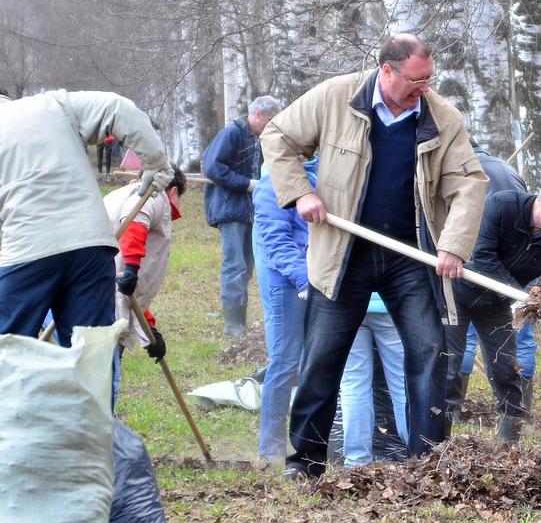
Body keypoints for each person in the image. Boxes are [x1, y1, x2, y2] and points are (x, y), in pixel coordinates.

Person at [261, 33, 488, 479]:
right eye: (416, 80)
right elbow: (278, 135)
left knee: (428, 352)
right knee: (323, 355)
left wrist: (453, 245)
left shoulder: (442, 118)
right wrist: (299, 193)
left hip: (410, 257)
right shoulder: (335, 97)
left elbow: (469, 184)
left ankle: (428, 464)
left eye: (429, 79)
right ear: (387, 70)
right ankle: (305, 462)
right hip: (344, 252)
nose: (425, 88)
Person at [0, 90, 172, 347]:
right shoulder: (53, 105)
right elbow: (119, 108)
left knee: (6, 355)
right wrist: (157, 164)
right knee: (90, 360)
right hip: (91, 248)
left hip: (26, 252)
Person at [446, 173, 541, 442]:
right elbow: (483, 256)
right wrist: (519, 294)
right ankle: (439, 434)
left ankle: (509, 444)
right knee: (450, 363)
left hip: (495, 306)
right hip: (457, 295)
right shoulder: (502, 206)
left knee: (505, 368)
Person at [252, 156, 316, 466]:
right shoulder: (272, 183)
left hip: (314, 278)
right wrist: (302, 277)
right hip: (285, 283)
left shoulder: (317, 176)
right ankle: (270, 449)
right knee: (285, 360)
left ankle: (308, 441)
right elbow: (275, 239)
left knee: (311, 360)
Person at [203, 95, 282, 338]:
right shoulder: (232, 134)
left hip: (251, 211)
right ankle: (233, 327)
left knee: (247, 267)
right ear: (257, 115)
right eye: (270, 120)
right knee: (235, 267)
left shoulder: (258, 138)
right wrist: (247, 184)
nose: (272, 126)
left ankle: (241, 324)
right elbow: (213, 167)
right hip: (230, 210)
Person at [105, 167, 186, 400]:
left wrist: (149, 329)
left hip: (101, 286)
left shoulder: (124, 193)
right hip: (102, 292)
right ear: (173, 191)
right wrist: (131, 267)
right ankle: (102, 423)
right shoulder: (153, 196)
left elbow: (131, 291)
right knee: (103, 368)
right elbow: (134, 222)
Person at [339, 293, 408, 467]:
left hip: (349, 302)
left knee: (353, 384)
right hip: (390, 302)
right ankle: (416, 454)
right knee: (403, 382)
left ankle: (356, 462)